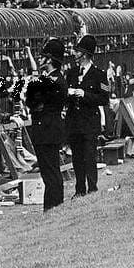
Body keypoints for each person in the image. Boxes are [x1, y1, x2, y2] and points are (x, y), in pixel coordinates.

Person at [24, 39, 68, 211]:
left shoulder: (54, 81)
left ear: (49, 60)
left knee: (50, 172)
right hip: (47, 128)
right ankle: (53, 205)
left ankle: (52, 206)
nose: (40, 59)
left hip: (47, 129)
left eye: (43, 57)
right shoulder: (52, 79)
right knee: (50, 171)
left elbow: (32, 101)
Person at [65, 35, 109, 197]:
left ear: (84, 54)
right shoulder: (71, 73)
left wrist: (85, 94)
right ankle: (79, 188)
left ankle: (92, 187)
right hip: (74, 121)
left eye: (77, 51)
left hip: (90, 120)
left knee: (90, 155)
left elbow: (104, 99)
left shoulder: (100, 75)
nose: (74, 54)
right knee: (77, 156)